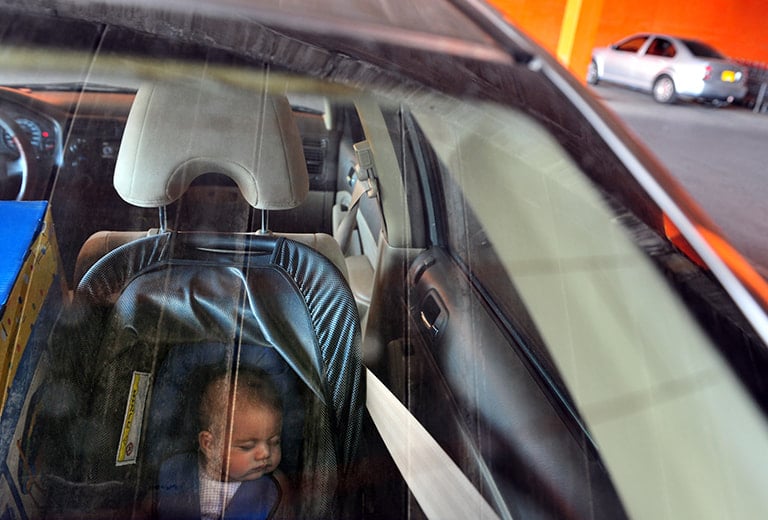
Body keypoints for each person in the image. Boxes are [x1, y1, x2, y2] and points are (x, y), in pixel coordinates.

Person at [157, 366, 288, 520]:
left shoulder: (274, 489)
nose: (265, 453)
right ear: (209, 445)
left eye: (274, 442)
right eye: (247, 446)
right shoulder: (175, 474)